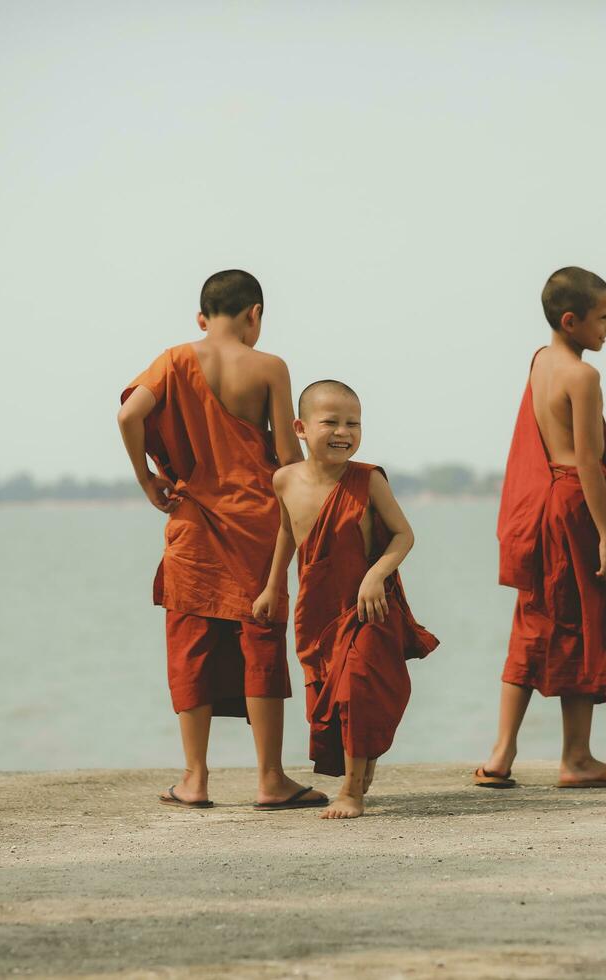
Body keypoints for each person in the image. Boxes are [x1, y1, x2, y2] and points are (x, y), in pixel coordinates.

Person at [117, 270, 327, 810]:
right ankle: (270, 779)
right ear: (255, 313)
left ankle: (194, 779)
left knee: (190, 645)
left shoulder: (172, 360)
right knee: (261, 642)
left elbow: (129, 414)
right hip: (258, 523)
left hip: (192, 524)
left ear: (202, 319)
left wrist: (147, 479)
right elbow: (286, 455)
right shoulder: (269, 367)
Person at [478, 267, 606, 791]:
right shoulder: (583, 376)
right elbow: (589, 463)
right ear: (571, 321)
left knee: (534, 622)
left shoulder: (540, 361)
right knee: (581, 625)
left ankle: (501, 754)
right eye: (603, 317)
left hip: (541, 509)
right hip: (574, 509)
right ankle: (576, 758)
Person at [254, 380, 438, 819]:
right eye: (331, 422)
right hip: (317, 608)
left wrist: (376, 575)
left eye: (353, 423)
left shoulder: (367, 479)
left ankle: (352, 792)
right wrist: (270, 584)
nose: (344, 431)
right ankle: (361, 771)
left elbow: (403, 534)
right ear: (300, 427)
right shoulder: (284, 480)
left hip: (368, 608)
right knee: (329, 699)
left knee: (359, 692)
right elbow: (286, 533)